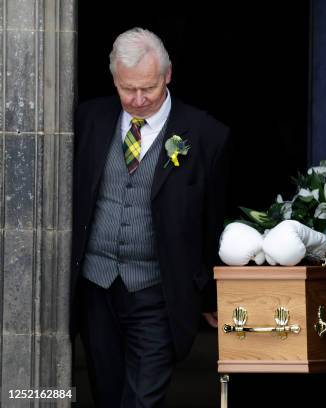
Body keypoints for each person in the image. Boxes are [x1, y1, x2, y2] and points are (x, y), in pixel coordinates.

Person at [71, 27, 228, 407]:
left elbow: (214, 221)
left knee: (142, 400)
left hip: (159, 291)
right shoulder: (87, 120)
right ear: (114, 80)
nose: (139, 99)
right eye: (128, 89)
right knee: (107, 395)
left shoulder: (207, 134)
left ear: (168, 75)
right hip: (97, 287)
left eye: (149, 88)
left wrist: (210, 292)